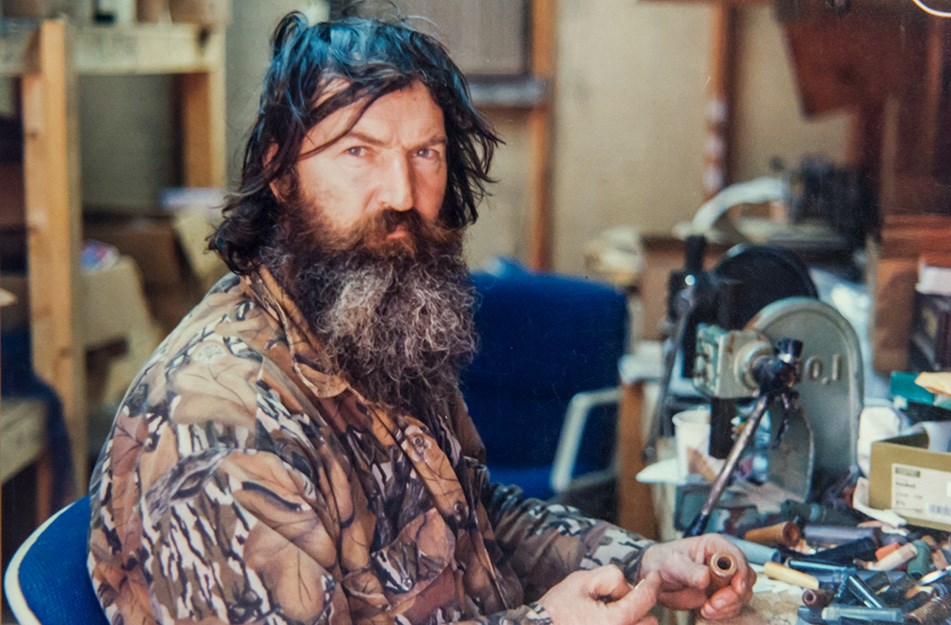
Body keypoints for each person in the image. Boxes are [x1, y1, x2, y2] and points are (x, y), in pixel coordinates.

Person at [88, 9, 755, 625]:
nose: (403, 194)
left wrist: (639, 560)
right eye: (359, 152)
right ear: (280, 172)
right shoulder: (222, 422)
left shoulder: (372, 324)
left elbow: (473, 517)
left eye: (425, 153)